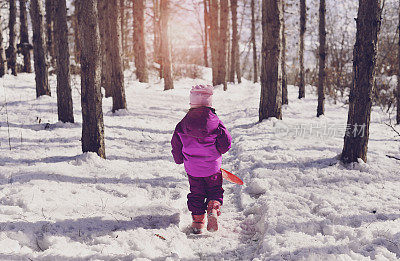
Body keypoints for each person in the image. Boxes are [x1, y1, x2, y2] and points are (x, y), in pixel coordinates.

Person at [171, 84, 232, 234]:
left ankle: (198, 222)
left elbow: (176, 144)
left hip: (193, 169)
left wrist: (179, 159)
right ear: (210, 103)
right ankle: (213, 208)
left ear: (191, 103)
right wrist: (218, 150)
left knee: (196, 193)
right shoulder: (216, 122)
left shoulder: (182, 124)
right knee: (215, 190)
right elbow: (226, 143)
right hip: (212, 168)